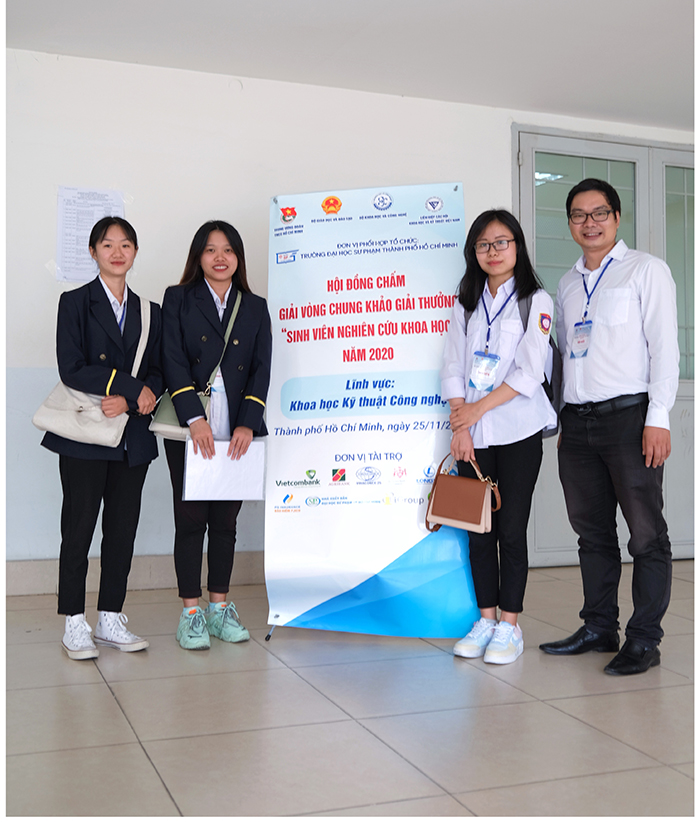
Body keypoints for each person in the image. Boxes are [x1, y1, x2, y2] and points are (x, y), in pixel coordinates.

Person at [539, 178, 679, 675]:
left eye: (599, 213)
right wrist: (558, 415)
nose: (590, 222)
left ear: (617, 218)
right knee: (592, 533)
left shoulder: (646, 270)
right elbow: (566, 354)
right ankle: (599, 627)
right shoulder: (566, 284)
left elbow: (664, 348)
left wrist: (658, 417)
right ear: (570, 224)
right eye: (579, 215)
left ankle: (644, 640)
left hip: (630, 420)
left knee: (646, 534)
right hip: (577, 425)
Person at [42, 217, 162, 660]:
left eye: (125, 244)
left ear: (135, 252)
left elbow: (159, 372)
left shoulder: (151, 311)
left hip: (131, 435)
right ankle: (74, 621)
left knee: (122, 530)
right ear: (93, 252)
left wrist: (129, 401)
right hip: (85, 435)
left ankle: (111, 616)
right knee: (78, 528)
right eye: (107, 244)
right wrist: (126, 387)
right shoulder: (74, 302)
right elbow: (71, 367)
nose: (117, 252)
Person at [441, 209, 557, 664]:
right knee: (478, 530)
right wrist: (462, 425)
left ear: (517, 247)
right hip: (473, 435)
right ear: (474, 252)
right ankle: (485, 620)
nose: (493, 251)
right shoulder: (465, 303)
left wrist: (475, 411)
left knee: (510, 529)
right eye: (484, 244)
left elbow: (529, 372)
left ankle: (510, 625)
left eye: (501, 242)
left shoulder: (536, 301)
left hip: (518, 431)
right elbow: (452, 366)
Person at [161, 220, 272, 650]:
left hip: (238, 424)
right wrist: (194, 418)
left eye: (228, 250)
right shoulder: (178, 299)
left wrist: (248, 421)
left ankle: (219, 609)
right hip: (191, 422)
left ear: (238, 258)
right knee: (190, 518)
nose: (220, 257)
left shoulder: (255, 306)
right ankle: (190, 614)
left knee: (226, 521)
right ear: (199, 257)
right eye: (210, 250)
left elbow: (261, 367)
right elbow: (171, 358)